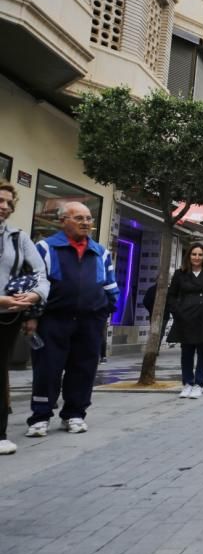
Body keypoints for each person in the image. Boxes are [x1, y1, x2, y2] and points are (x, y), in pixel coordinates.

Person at [25, 203, 118, 437]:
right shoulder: (45, 248)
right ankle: (40, 417)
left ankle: (74, 415)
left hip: (90, 322)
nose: (86, 223)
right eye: (79, 218)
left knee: (84, 369)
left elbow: (110, 286)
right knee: (47, 369)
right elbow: (33, 283)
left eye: (88, 218)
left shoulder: (100, 252)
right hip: (53, 320)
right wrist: (33, 316)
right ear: (63, 220)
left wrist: (104, 312)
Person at [0, 182, 49, 455]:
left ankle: (0, 433)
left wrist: (35, 297)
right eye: (0, 200)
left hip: (7, 316)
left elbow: (40, 273)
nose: (5, 206)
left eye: (9, 202)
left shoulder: (18, 237)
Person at [166, 243, 203, 399]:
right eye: (194, 254)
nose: (197, 257)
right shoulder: (180, 273)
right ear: (189, 256)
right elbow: (171, 294)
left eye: (200, 255)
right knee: (186, 352)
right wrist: (176, 310)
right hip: (185, 317)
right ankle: (187, 383)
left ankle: (199, 384)